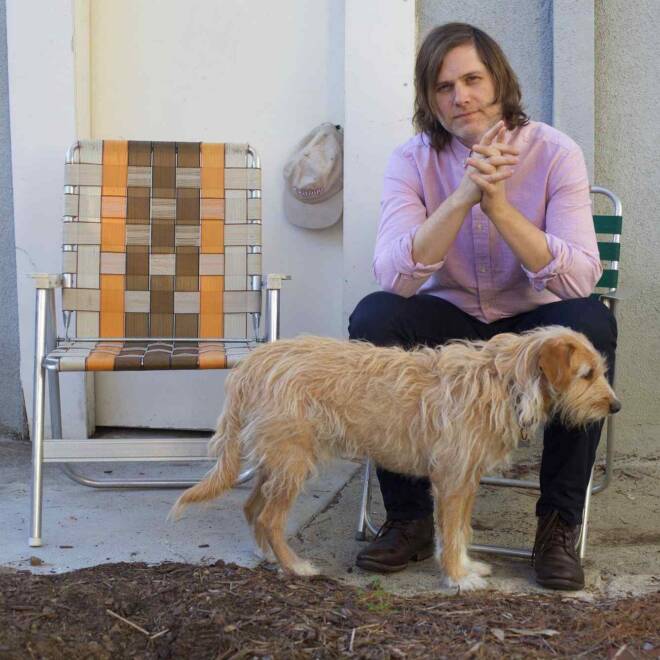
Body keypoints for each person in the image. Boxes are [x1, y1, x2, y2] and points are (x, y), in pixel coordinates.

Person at [348, 23, 617, 591]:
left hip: (531, 319)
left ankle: (558, 525)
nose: (460, 96)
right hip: (451, 322)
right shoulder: (411, 160)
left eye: (472, 79)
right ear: (428, 97)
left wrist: (497, 207)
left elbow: (580, 277)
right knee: (374, 319)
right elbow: (393, 275)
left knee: (592, 322)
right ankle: (411, 519)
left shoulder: (553, 152)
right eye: (444, 87)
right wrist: (463, 196)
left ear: (499, 82)